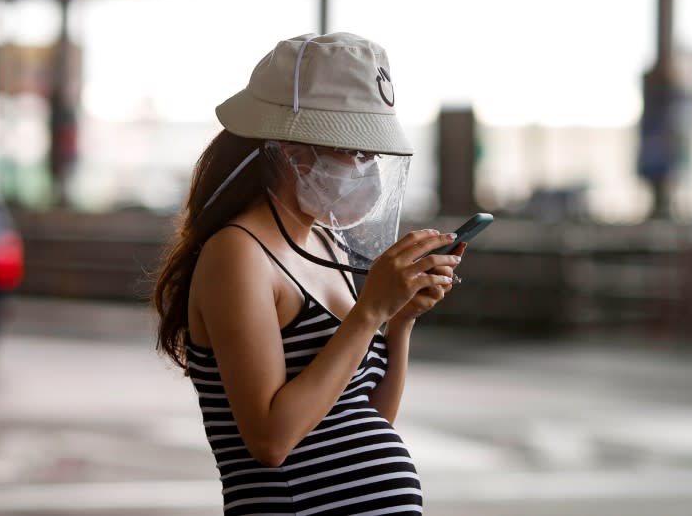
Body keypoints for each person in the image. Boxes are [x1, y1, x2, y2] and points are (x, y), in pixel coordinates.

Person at [153, 32, 465, 515]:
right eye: (355, 152)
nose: (368, 169)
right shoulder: (238, 253)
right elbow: (271, 439)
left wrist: (398, 321)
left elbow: (362, 418)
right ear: (292, 151)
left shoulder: (322, 240)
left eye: (373, 156)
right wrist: (369, 312)